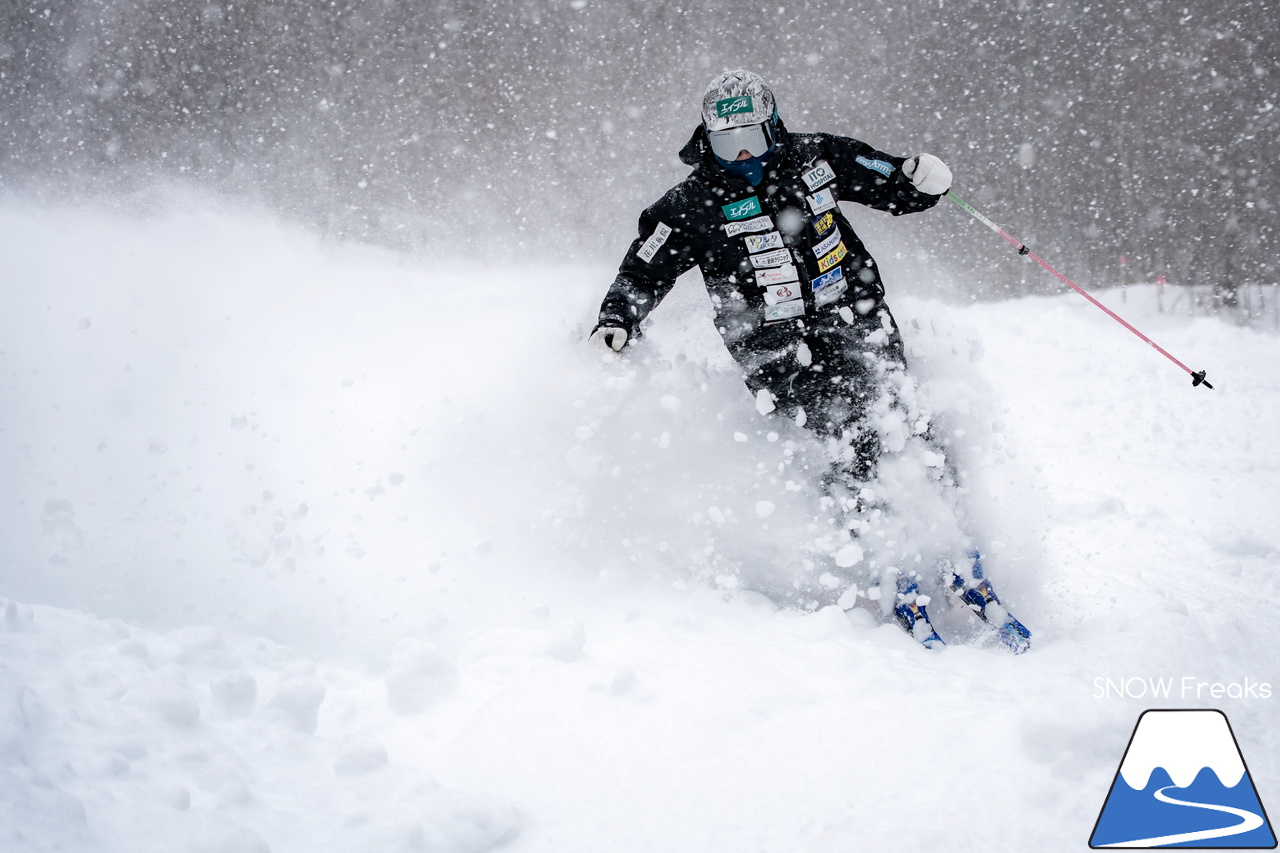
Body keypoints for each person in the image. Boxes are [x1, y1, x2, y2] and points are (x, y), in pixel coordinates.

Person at [589, 70, 1030, 652]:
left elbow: (890, 182)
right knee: (845, 439)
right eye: (726, 142)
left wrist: (919, 179)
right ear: (707, 138)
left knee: (905, 420)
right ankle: (885, 558)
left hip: (856, 313)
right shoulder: (691, 204)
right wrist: (618, 317)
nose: (741, 153)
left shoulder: (817, 157)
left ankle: (957, 550)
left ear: (773, 124)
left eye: (750, 136)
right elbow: (646, 266)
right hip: (771, 348)